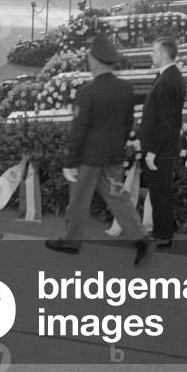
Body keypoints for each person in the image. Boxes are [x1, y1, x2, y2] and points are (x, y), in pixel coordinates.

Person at [46, 33, 153, 267]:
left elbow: (79, 131)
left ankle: (71, 241)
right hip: (113, 157)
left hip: (88, 160)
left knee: (78, 201)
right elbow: (128, 124)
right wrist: (120, 146)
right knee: (118, 198)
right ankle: (141, 239)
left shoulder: (87, 92)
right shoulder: (125, 89)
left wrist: (69, 161)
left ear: (93, 61)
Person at [138, 37, 186, 250]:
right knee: (159, 191)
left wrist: (152, 152)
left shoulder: (168, 80)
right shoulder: (169, 76)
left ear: (165, 54)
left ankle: (163, 235)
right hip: (163, 147)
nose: (151, 54)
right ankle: (162, 232)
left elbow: (165, 122)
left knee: (160, 192)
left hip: (160, 149)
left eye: (154, 51)